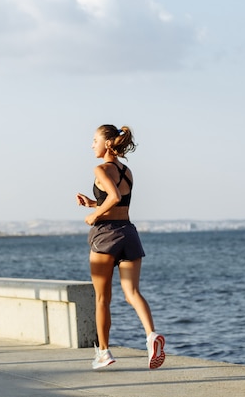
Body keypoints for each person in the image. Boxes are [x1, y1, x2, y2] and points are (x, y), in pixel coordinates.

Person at [76, 124, 165, 370]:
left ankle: (103, 353)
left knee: (103, 298)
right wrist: (94, 203)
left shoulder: (101, 168)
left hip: (106, 236)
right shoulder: (126, 171)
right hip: (129, 234)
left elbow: (113, 198)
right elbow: (117, 202)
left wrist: (94, 216)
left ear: (106, 143)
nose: (91, 145)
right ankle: (151, 336)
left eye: (94, 140)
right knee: (132, 293)